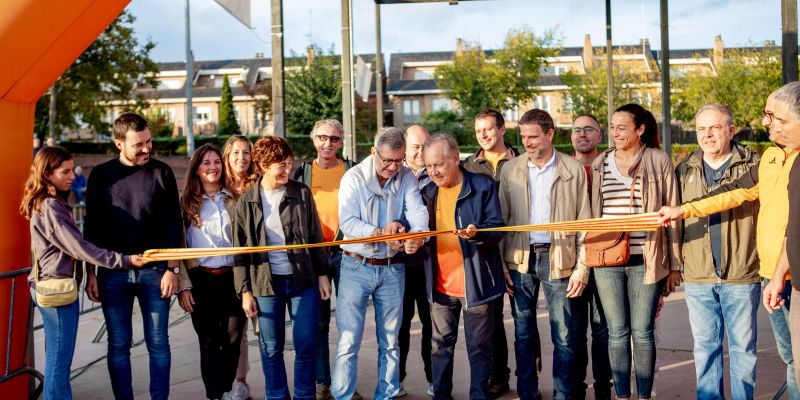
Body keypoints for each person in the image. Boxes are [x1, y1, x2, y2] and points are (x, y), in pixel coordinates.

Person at [661, 82, 800, 399]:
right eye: (701, 129)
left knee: (754, 352)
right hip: (763, 276)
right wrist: (683, 211)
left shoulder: (758, 159)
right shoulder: (770, 160)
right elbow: (731, 194)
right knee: (790, 357)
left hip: (765, 276)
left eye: (772, 116)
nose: (766, 122)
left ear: (731, 130)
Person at [21, 147, 144, 400]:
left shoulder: (48, 204)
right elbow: (80, 247)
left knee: (58, 359)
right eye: (64, 171)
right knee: (59, 361)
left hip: (55, 287)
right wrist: (124, 260)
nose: (71, 177)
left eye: (71, 170)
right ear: (47, 174)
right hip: (57, 292)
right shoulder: (51, 208)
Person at [83, 112, 183, 400]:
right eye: (138, 144)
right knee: (117, 344)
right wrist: (91, 273)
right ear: (119, 144)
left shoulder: (161, 171)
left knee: (159, 343)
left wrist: (171, 270)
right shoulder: (101, 175)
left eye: (149, 142)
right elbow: (93, 227)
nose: (146, 148)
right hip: (112, 273)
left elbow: (174, 223)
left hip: (155, 272)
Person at [498, 109, 591, 399]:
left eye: (534, 136)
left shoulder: (572, 169)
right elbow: (501, 220)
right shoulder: (510, 169)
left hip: (560, 259)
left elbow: (584, 223)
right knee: (523, 334)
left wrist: (582, 268)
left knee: (564, 335)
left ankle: (563, 395)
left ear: (550, 134)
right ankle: (528, 393)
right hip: (519, 260)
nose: (527, 142)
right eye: (523, 137)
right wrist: (502, 264)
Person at [592, 104, 682, 400]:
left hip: (648, 258)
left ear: (639, 129)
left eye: (621, 127)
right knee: (616, 332)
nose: (614, 133)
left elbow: (672, 214)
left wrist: (674, 265)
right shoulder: (600, 163)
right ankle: (622, 395)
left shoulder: (658, 160)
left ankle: (644, 395)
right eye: (612, 127)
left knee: (642, 332)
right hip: (606, 259)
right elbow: (593, 214)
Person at [331, 127, 429, 400]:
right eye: (387, 160)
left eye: (399, 160)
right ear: (374, 152)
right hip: (355, 266)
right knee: (349, 340)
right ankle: (343, 396)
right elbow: (348, 222)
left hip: (392, 267)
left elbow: (418, 212)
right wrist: (380, 233)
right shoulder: (353, 178)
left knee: (391, 341)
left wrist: (415, 237)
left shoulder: (406, 175)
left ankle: (386, 394)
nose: (393, 167)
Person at [233, 136, 332, 400]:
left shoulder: (301, 192)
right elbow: (240, 251)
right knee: (271, 347)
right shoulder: (247, 202)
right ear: (263, 165)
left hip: (303, 280)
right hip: (266, 283)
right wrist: (245, 291)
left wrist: (323, 275)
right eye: (281, 165)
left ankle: (304, 395)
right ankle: (276, 396)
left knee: (306, 344)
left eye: (289, 163)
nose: (287, 169)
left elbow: (315, 236)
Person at [674, 104, 760, 399]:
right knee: (705, 350)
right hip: (699, 275)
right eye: (701, 129)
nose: (707, 135)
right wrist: (677, 263)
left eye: (714, 128)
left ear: (731, 130)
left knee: (743, 352)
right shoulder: (684, 169)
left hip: (741, 273)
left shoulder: (754, 165)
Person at [420, 134, 506, 400]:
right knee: (440, 348)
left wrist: (476, 233)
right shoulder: (427, 191)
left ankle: (478, 395)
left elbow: (497, 227)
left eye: (439, 164)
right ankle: (441, 395)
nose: (433, 172)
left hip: (476, 284)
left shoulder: (482, 186)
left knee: (479, 348)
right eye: (429, 166)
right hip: (440, 287)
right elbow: (418, 231)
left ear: (456, 159)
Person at [291, 119, 354, 400]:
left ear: (341, 142)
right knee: (318, 323)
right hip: (314, 257)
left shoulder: (353, 171)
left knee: (349, 323)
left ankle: (346, 385)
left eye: (334, 139)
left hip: (346, 253)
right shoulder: (302, 173)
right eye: (322, 138)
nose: (328, 143)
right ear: (313, 139)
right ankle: (322, 382)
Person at [177, 144, 246, 400]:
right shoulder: (185, 204)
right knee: (208, 342)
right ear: (196, 168)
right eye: (206, 163)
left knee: (232, 339)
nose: (212, 167)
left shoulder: (235, 199)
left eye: (216, 162)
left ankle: (226, 390)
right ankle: (214, 395)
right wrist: (183, 287)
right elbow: (179, 248)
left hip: (232, 277)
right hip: (201, 279)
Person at [462, 108, 520, 398]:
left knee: (525, 317)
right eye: (478, 131)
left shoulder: (521, 160)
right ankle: (499, 376)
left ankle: (528, 373)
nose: (483, 135)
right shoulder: (469, 166)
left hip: (519, 247)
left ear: (502, 129)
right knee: (493, 320)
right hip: (485, 252)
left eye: (488, 129)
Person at [569, 114, 613, 399]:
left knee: (602, 332)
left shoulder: (609, 167)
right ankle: (575, 390)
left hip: (605, 259)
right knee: (572, 333)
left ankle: (603, 389)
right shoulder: (562, 169)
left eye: (589, 129)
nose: (582, 134)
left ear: (599, 135)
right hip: (568, 263)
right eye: (576, 130)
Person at [396, 124, 434, 397]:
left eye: (424, 146)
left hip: (431, 263)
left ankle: (435, 380)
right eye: (415, 147)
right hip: (399, 265)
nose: (420, 152)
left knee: (433, 327)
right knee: (400, 327)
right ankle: (395, 381)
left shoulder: (438, 175)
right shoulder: (394, 177)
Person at [222, 134, 258, 400]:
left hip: (252, 268)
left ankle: (240, 381)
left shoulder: (257, 186)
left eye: (246, 153)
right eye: (236, 152)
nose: (241, 158)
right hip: (222, 267)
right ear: (227, 155)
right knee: (227, 330)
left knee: (245, 329)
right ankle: (224, 381)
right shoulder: (215, 185)